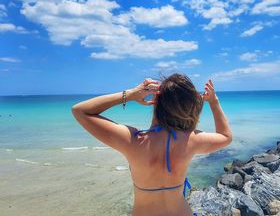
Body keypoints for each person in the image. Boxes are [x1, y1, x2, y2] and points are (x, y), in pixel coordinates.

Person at [72, 73, 232, 216]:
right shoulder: (192, 140)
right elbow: (226, 136)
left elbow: (80, 111)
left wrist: (131, 94)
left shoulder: (134, 141)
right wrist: (214, 102)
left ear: (155, 100)